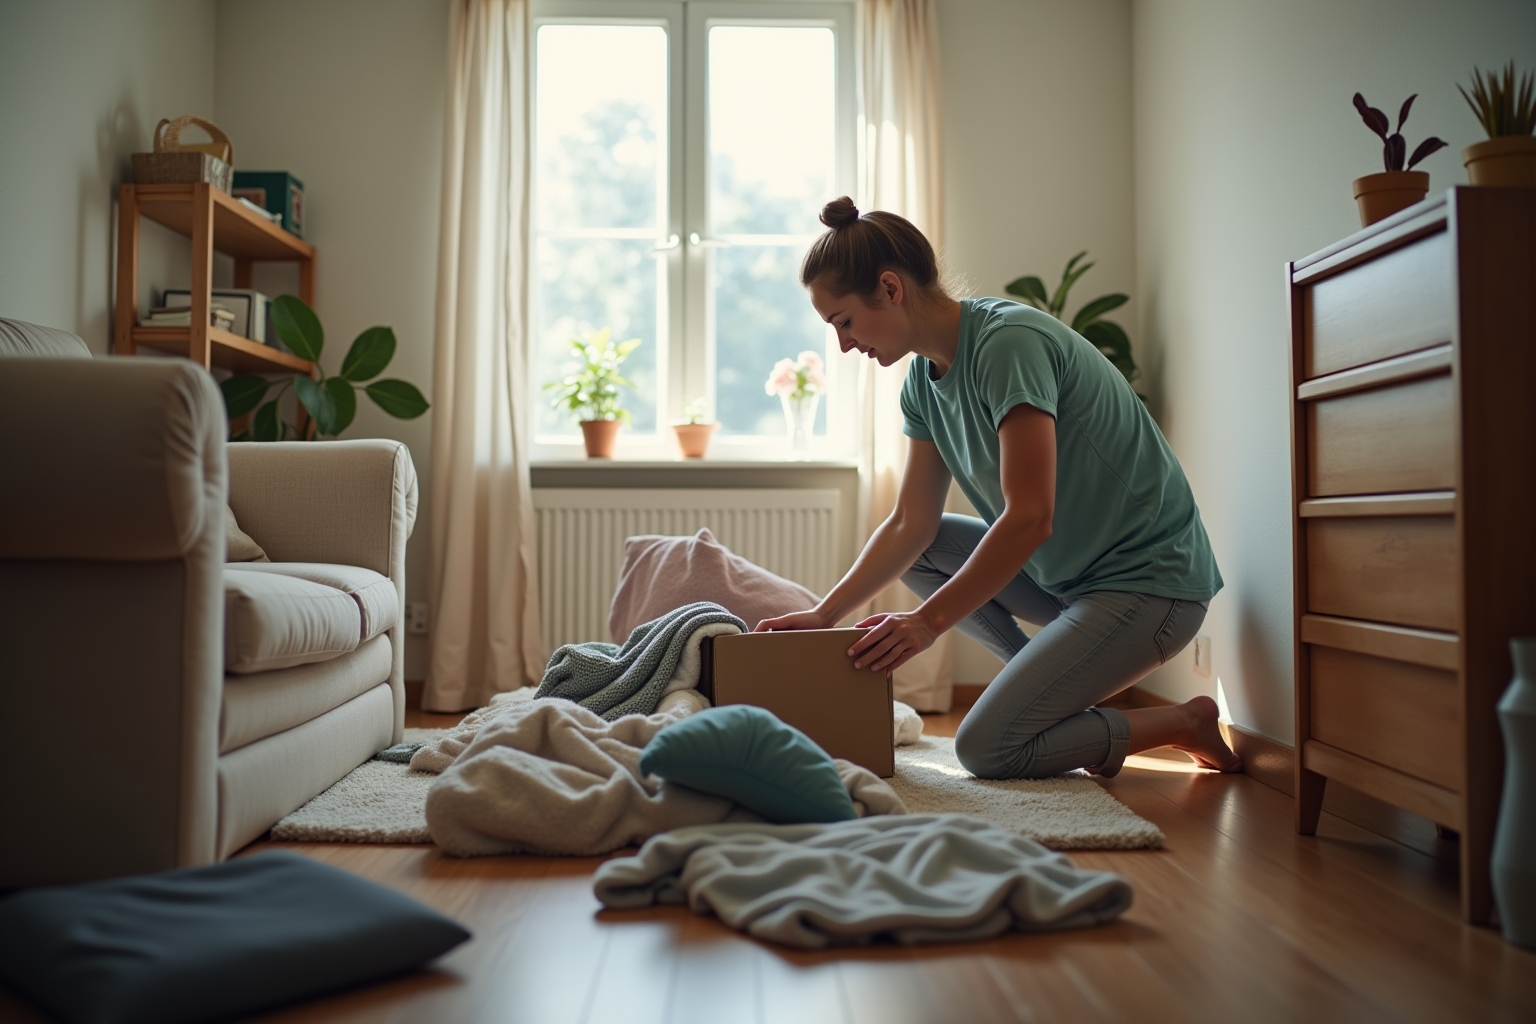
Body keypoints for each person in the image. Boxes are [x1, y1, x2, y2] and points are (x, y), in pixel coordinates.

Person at [757, 196, 1242, 779]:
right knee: (928, 547)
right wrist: (824, 613)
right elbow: (912, 523)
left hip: (1151, 588)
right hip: (1068, 583)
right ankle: (1045, 697)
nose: (844, 345)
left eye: (843, 322)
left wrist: (926, 624)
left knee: (985, 748)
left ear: (890, 288)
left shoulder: (1008, 344)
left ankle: (1183, 723)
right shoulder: (921, 380)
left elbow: (1031, 517)